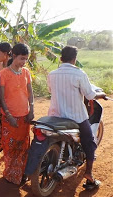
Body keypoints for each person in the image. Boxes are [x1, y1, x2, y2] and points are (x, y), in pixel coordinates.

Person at [47, 46, 106, 189]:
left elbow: (51, 91)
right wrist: (101, 95)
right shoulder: (79, 74)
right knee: (90, 142)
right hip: (76, 117)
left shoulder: (52, 74)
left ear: (61, 58)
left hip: (55, 115)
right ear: (75, 59)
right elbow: (90, 95)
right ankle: (89, 175)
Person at [0, 43, 34, 185]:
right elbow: (1, 98)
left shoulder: (26, 72)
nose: (23, 62)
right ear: (13, 56)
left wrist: (31, 109)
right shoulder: (4, 74)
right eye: (21, 58)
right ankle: (10, 174)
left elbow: (30, 92)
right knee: (10, 147)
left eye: (25, 59)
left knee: (23, 146)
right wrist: (9, 115)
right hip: (9, 118)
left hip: (24, 116)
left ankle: (21, 173)